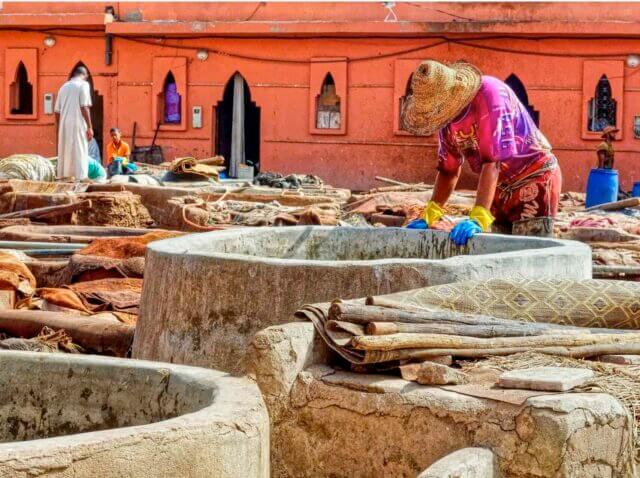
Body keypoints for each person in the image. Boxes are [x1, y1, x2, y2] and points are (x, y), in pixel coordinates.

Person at [402, 60, 562, 245]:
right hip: (497, 189)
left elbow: (492, 162)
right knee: (501, 257)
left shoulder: (490, 95)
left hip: (533, 178)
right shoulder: (445, 120)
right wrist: (431, 213)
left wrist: (478, 215)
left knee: (529, 257)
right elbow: (448, 170)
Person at [55, 66, 93, 180]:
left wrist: (59, 126)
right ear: (85, 75)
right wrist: (90, 127)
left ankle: (65, 176)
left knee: (65, 150)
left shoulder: (63, 87)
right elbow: (84, 107)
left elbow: (57, 111)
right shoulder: (83, 85)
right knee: (80, 148)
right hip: (78, 122)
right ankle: (82, 177)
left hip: (64, 123)